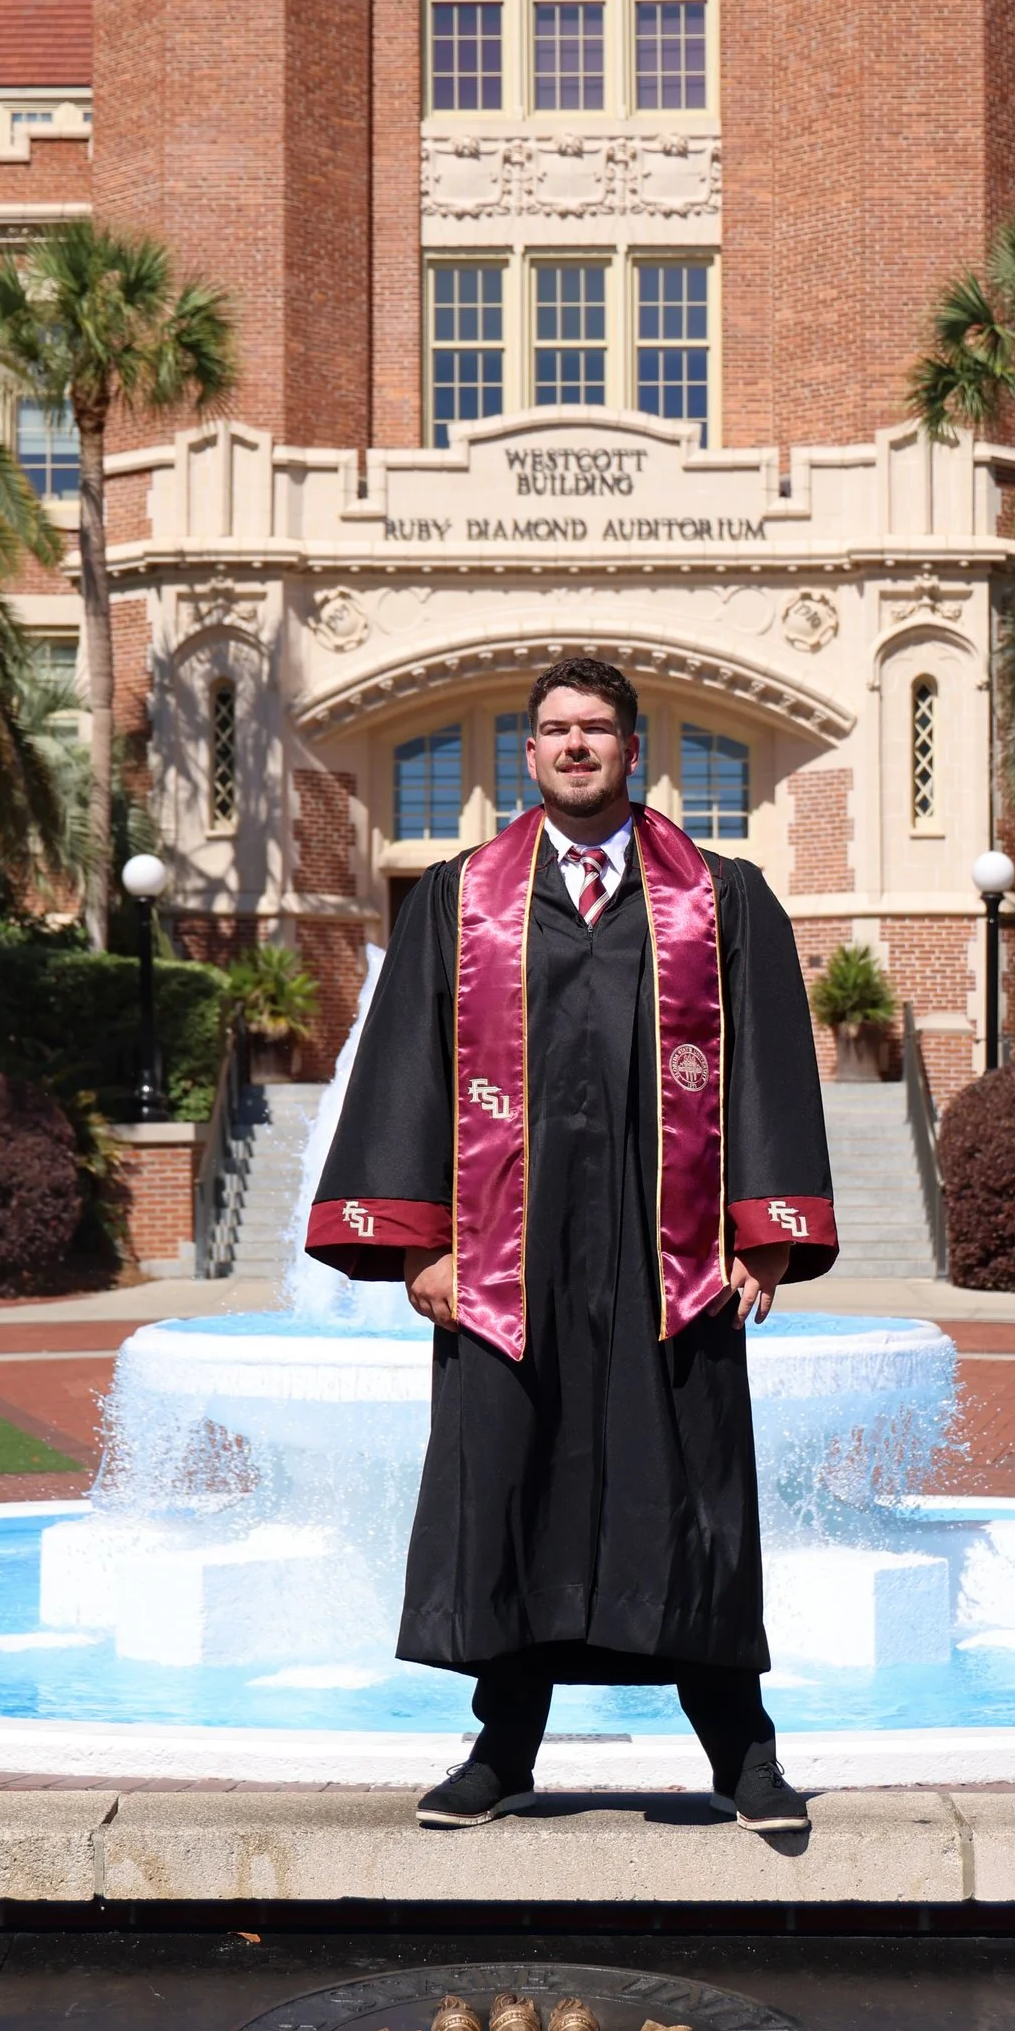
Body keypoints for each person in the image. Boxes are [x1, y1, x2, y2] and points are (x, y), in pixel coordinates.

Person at [305, 655, 838, 1835]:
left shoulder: (719, 897)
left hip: (673, 1255)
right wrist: (417, 1246)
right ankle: (503, 1749)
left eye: (596, 728)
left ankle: (742, 1751)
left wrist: (768, 1235)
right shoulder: (458, 897)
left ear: (631, 748)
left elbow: (768, 1063)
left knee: (691, 1496)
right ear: (528, 755)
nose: (575, 746)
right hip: (508, 1263)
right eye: (554, 730)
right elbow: (406, 1069)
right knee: (517, 1484)